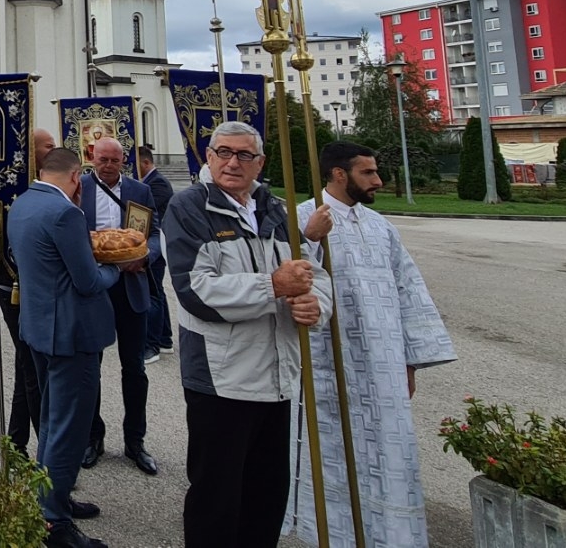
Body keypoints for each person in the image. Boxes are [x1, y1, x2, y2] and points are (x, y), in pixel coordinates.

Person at [163, 120, 330, 548]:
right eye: (223, 153)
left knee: (267, 494)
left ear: (260, 163)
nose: (232, 163)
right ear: (208, 156)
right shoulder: (190, 209)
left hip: (276, 377)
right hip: (222, 377)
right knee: (216, 497)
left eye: (244, 155)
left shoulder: (274, 209)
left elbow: (311, 272)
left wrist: (316, 305)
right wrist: (273, 287)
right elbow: (196, 292)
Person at [284, 142, 456, 548]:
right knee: (330, 454)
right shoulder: (301, 219)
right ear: (339, 174)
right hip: (328, 366)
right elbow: (284, 280)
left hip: (382, 366)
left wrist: (410, 361)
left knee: (387, 455)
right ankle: (327, 534)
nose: (378, 180)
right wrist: (308, 240)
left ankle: (388, 536)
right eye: (368, 173)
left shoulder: (381, 226)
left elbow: (408, 291)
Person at [8, 146, 140, 548]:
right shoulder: (66, 213)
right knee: (69, 428)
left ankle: (51, 495)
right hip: (72, 334)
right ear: (75, 176)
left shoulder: (24, 203)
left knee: (51, 419)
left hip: (39, 328)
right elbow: (88, 282)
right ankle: (54, 524)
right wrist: (117, 265)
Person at [78, 138, 161, 475]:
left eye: (114, 160)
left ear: (124, 160)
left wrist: (144, 256)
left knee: (135, 369)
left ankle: (135, 440)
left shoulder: (139, 191)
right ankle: (93, 437)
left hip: (130, 285)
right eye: (103, 159)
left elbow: (155, 233)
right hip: (96, 289)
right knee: (90, 368)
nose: (108, 165)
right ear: (91, 158)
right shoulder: (79, 187)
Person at [0, 127, 55, 458]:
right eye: (48, 146)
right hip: (15, 286)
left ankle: (15, 443)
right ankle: (49, 456)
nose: (54, 150)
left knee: (24, 364)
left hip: (33, 287)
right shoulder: (14, 186)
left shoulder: (44, 186)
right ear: (31, 152)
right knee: (32, 367)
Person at [136, 144, 176, 362]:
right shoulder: (149, 182)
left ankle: (151, 346)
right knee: (157, 292)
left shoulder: (158, 183)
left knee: (152, 294)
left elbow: (147, 212)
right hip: (154, 241)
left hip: (157, 242)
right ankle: (164, 339)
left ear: (145, 162)